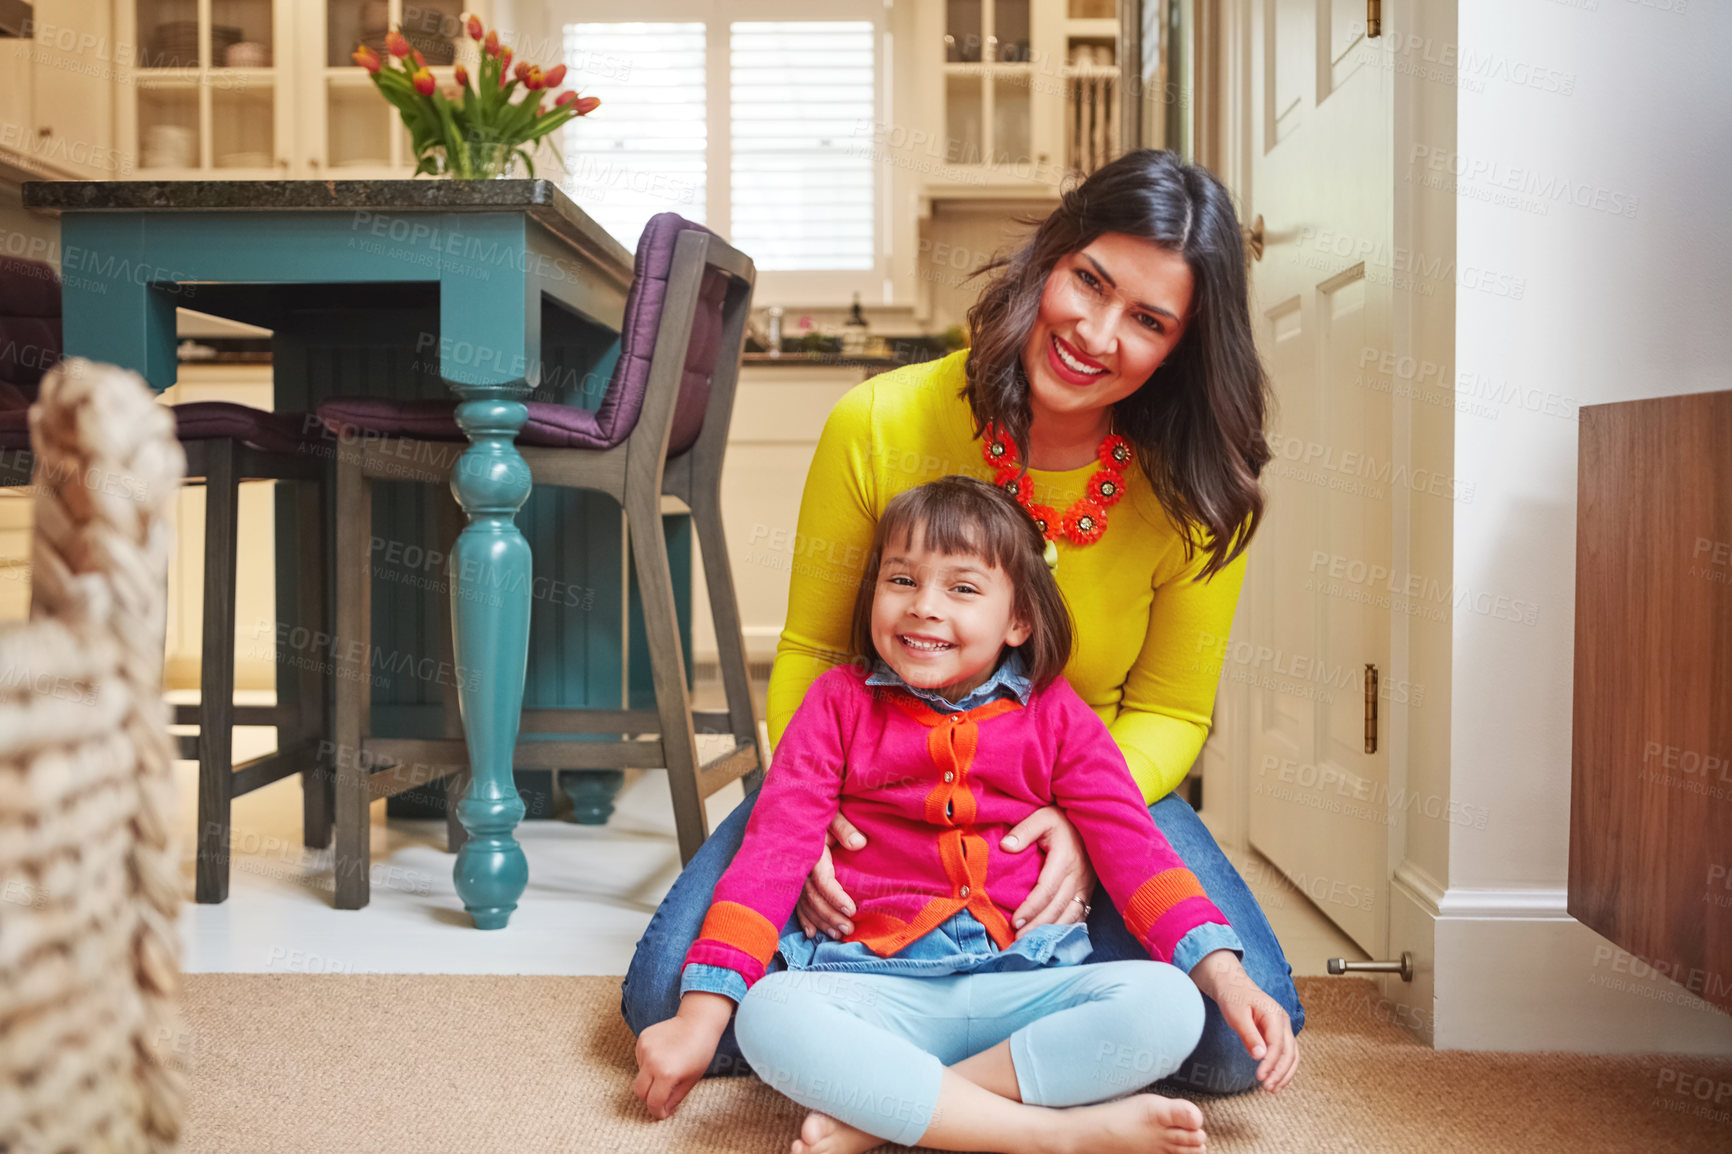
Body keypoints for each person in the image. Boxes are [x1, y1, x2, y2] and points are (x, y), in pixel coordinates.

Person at [622, 148, 1302, 1097]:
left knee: (1232, 1043)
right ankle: (999, 1045)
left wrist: (1079, 821)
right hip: (869, 781)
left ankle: (899, 1070)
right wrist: (803, 817)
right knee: (669, 1000)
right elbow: (815, 648)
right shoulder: (878, 422)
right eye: (1089, 282)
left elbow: (1173, 713)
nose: (1096, 335)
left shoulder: (1200, 497)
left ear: (1182, 346)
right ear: (1049, 258)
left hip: (1085, 784)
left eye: (1147, 320)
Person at [632, 477, 1296, 1154]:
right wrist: (697, 1017)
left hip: (1029, 983)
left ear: (1019, 621)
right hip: (874, 985)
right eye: (901, 580)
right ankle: (1051, 1136)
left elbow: (1136, 850)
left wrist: (1227, 976)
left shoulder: (1057, 713)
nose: (923, 607)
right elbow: (769, 857)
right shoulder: (836, 704)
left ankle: (886, 1113)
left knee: (1171, 1004)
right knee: (768, 1017)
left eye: (963, 589)